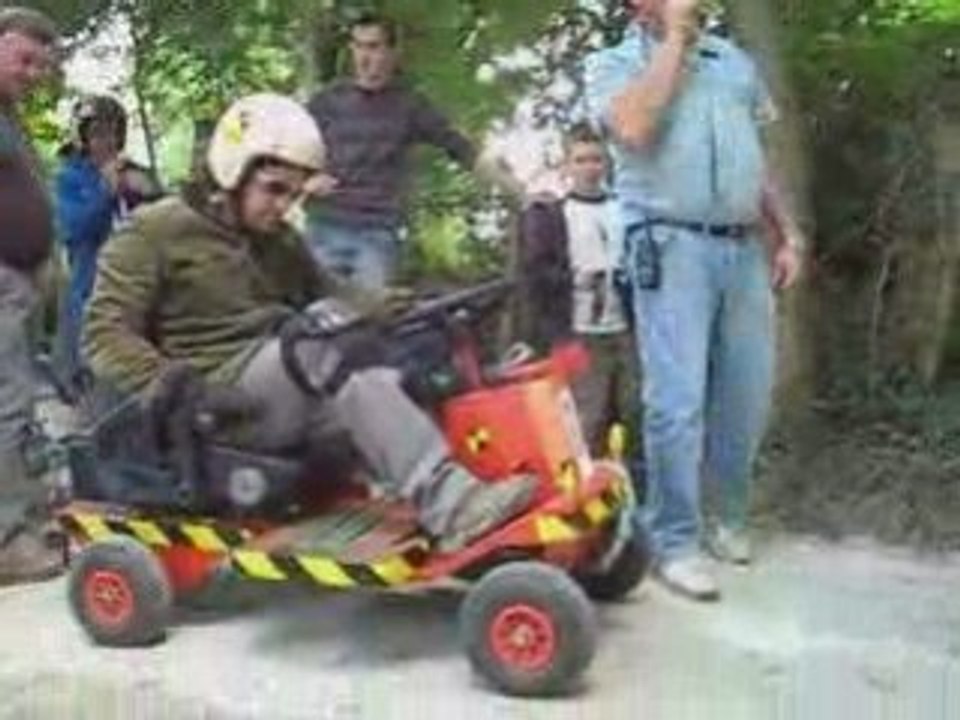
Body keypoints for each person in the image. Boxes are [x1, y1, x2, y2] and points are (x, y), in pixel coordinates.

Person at [84, 93, 537, 552]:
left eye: (295, 194)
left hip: (282, 387)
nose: (284, 206)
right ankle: (452, 506)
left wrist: (412, 305)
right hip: (215, 399)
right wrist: (172, 384)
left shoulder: (277, 238)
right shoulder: (154, 230)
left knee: (403, 361)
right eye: (274, 189)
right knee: (325, 340)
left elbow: (335, 291)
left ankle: (478, 486)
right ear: (233, 170)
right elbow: (103, 334)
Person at [585, 0, 804, 601]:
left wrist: (787, 232)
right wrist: (675, 40)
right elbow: (633, 128)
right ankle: (673, 541)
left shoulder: (733, 60)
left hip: (743, 247)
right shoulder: (612, 64)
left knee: (746, 394)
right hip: (668, 242)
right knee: (676, 401)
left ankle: (727, 519)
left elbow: (755, 160)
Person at [304, 12, 525, 289]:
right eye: (358, 46)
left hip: (377, 232)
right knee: (314, 310)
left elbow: (463, 150)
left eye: (373, 46)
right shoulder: (327, 101)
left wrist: (521, 193)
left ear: (392, 52)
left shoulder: (410, 105)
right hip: (325, 227)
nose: (364, 56)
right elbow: (286, 150)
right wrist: (305, 180)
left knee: (369, 312)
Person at [518, 123, 637, 456]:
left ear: (607, 163)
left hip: (627, 327)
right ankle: (585, 480)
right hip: (580, 330)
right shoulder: (554, 214)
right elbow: (536, 275)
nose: (589, 168)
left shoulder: (623, 210)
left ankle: (633, 479)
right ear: (567, 166)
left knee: (634, 412)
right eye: (581, 160)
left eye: (596, 159)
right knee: (586, 417)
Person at [0, 7, 63, 584]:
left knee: (19, 403)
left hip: (18, 281)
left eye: (40, 65)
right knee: (8, 404)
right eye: (23, 59)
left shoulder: (9, 117)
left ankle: (25, 518)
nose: (33, 73)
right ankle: (7, 542)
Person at [54, 95, 161, 390]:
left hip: (140, 292)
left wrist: (151, 194)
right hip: (93, 292)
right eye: (98, 133)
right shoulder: (69, 178)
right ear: (83, 138)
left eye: (114, 132)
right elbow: (73, 229)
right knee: (101, 382)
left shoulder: (134, 172)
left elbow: (165, 225)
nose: (108, 141)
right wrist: (106, 191)